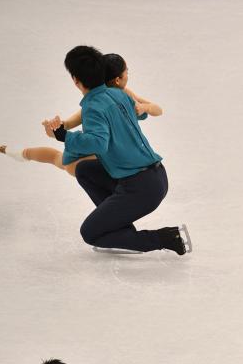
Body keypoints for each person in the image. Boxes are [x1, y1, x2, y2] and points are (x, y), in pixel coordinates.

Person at [43, 45, 189, 254]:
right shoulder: (119, 94)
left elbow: (97, 143)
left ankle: (166, 237)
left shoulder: (93, 107)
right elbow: (143, 113)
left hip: (141, 188)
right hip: (156, 176)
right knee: (85, 170)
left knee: (90, 233)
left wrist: (63, 136)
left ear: (76, 80)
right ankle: (119, 228)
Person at [0, 53, 162, 177]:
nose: (128, 74)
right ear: (118, 79)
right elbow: (80, 117)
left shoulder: (122, 95)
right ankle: (22, 153)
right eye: (127, 71)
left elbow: (158, 109)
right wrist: (62, 127)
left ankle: (23, 154)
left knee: (57, 159)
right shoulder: (110, 97)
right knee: (58, 159)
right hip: (97, 148)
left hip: (107, 149)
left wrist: (144, 108)